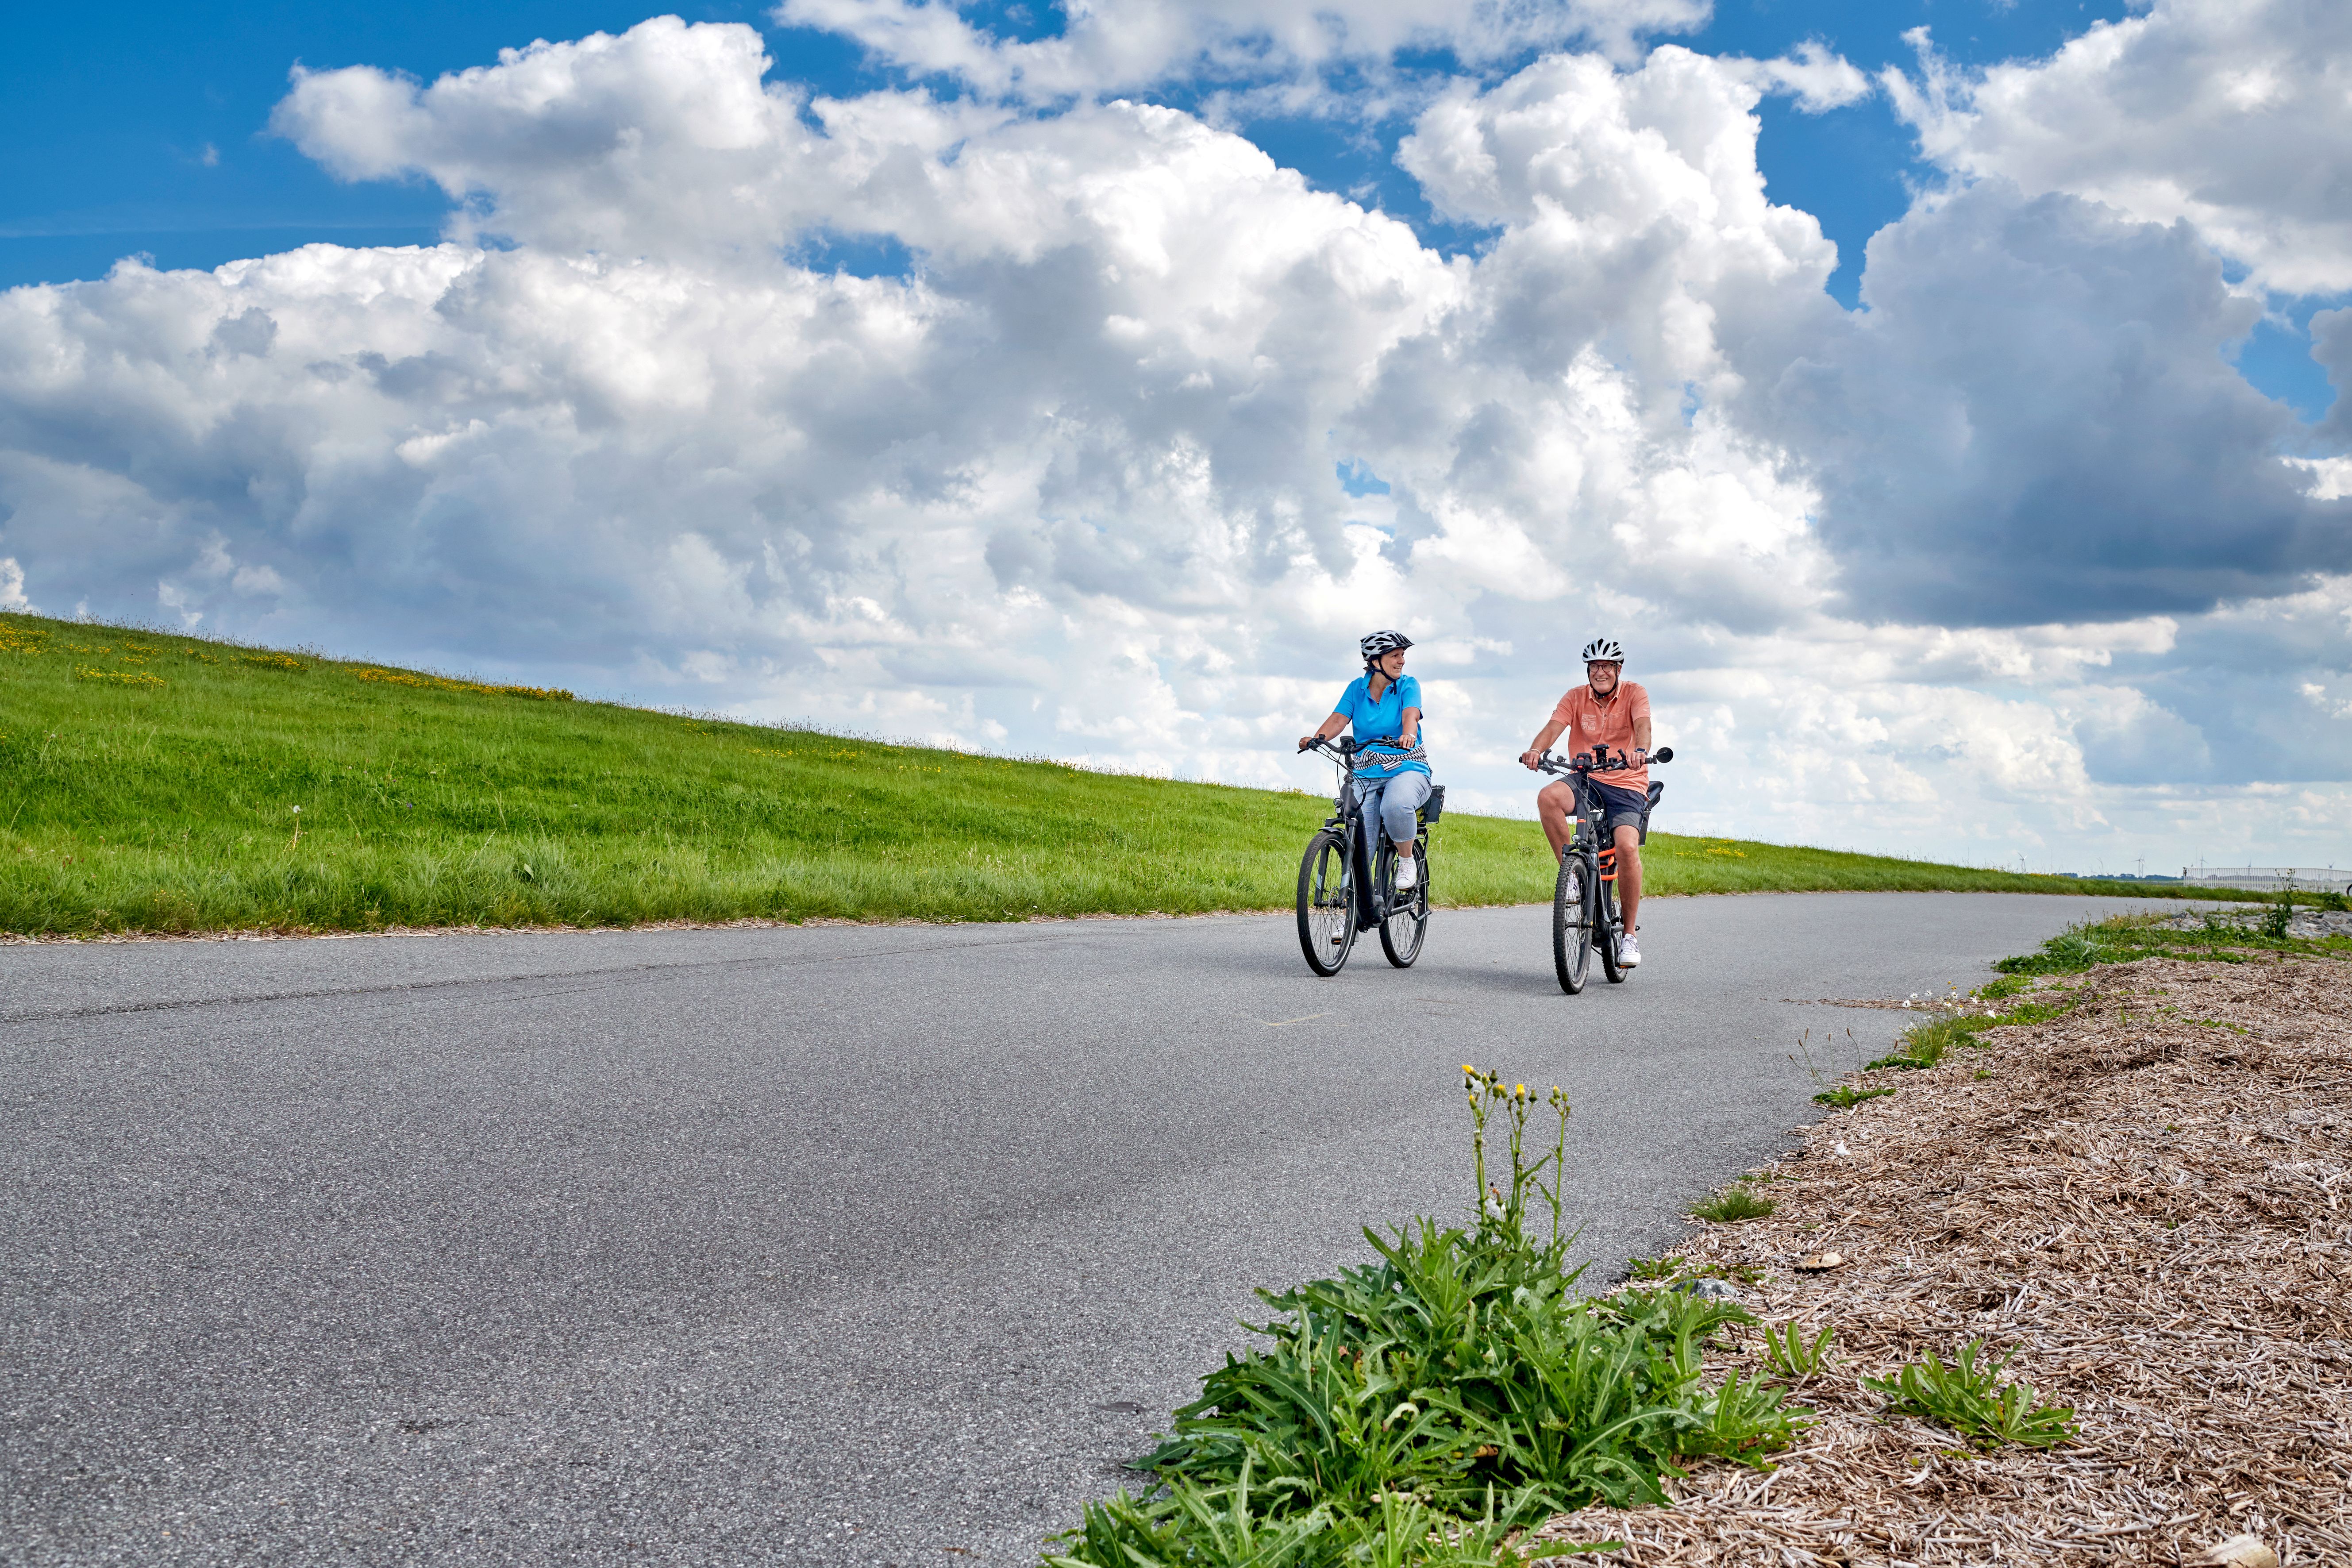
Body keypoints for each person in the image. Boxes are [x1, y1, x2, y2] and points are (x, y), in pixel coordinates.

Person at [1518, 637, 1651, 967]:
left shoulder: (1635, 693)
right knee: (1548, 797)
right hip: (1586, 778)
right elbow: (1553, 727)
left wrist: (1640, 752)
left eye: (1607, 666)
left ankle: (1630, 936)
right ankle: (1574, 877)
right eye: (1594, 667)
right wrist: (1536, 750)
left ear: (1618, 669)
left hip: (1625, 781)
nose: (1600, 672)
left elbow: (1643, 726)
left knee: (1626, 847)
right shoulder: (1575, 697)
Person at [1298, 630, 1432, 891]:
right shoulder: (1356, 689)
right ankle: (1350, 908)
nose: (1402, 661)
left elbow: (1411, 714)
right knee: (1356, 834)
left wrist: (1408, 734)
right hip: (1365, 771)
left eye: (1402, 655)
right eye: (1395, 656)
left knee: (1396, 805)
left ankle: (1406, 861)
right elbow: (1339, 718)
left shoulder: (1408, 685)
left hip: (1407, 768)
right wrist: (1316, 739)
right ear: (1375, 662)